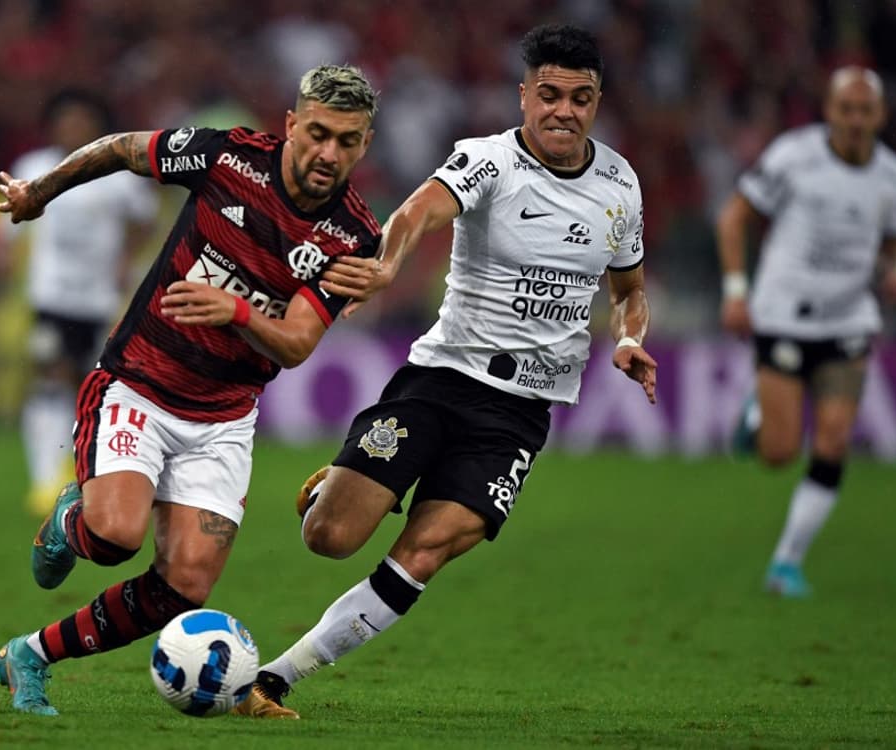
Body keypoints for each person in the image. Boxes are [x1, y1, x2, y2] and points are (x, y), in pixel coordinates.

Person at [232, 24, 658, 719]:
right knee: (328, 539)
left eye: (580, 98)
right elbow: (419, 210)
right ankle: (344, 484)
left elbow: (628, 288)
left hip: (518, 413)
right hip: (443, 379)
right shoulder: (489, 161)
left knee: (424, 554)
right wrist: (391, 262)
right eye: (549, 95)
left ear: (597, 103)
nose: (564, 111)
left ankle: (276, 679)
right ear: (524, 96)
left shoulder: (619, 185)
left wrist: (627, 338)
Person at [0, 64, 385, 716]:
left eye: (346, 141)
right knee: (114, 535)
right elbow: (120, 148)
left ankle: (30, 654)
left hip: (224, 419)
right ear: (291, 125)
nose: (327, 153)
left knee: (186, 584)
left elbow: (295, 343)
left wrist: (233, 311)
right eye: (316, 134)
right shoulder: (227, 157)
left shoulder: (352, 236)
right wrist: (41, 191)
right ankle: (72, 518)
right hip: (140, 384)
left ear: (364, 144)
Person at [714, 66, 896, 598]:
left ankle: (787, 562)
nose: (853, 120)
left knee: (833, 439)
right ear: (829, 110)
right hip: (783, 315)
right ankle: (759, 412)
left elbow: (891, 246)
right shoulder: (793, 156)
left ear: (880, 116)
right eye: (844, 109)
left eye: (864, 111)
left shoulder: (895, 178)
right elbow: (733, 218)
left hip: (849, 319)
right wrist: (737, 290)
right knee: (779, 453)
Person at [0, 88, 159, 516]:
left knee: (91, 387)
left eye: (81, 120)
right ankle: (42, 479)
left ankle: (80, 472)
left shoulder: (118, 176)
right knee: (49, 377)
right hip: (51, 294)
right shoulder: (34, 167)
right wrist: (4, 256)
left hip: (99, 300)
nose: (73, 127)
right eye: (66, 119)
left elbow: (145, 219)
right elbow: (11, 223)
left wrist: (128, 260)